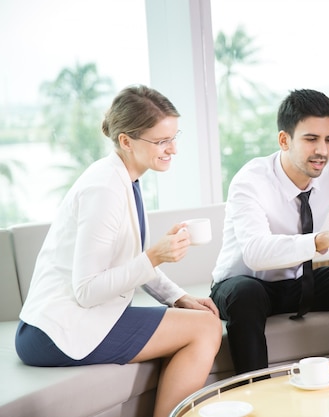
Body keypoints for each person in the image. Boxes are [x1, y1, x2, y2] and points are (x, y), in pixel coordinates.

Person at [14, 85, 222, 417]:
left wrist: (178, 297)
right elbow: (86, 291)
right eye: (161, 141)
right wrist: (154, 256)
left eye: (174, 136)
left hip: (78, 319)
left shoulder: (125, 178)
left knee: (202, 320)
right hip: (56, 330)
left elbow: (128, 260)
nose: (173, 149)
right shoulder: (104, 189)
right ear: (126, 141)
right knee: (206, 328)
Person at [210, 88, 329, 375]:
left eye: (328, 139)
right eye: (311, 139)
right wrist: (321, 241)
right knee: (247, 294)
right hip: (244, 286)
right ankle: (256, 391)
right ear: (284, 140)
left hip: (299, 283)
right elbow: (256, 253)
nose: (322, 150)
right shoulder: (251, 180)